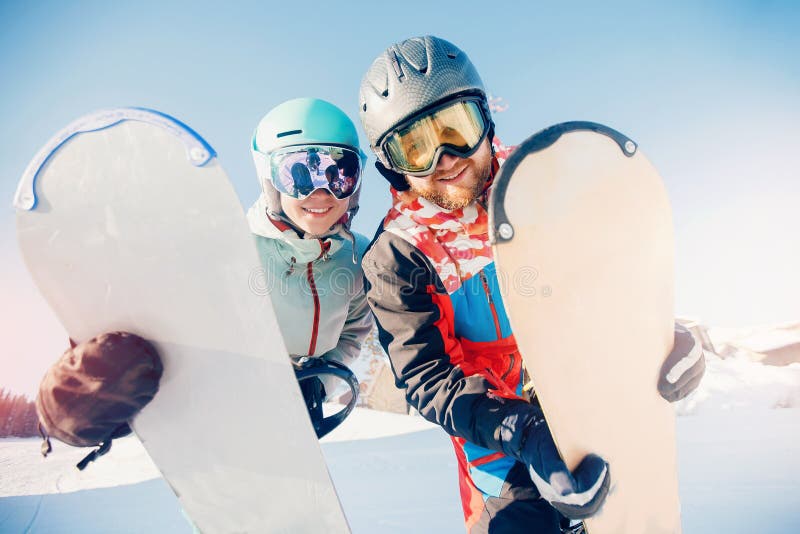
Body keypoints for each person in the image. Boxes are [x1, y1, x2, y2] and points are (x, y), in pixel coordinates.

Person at [358, 35, 706, 533]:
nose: (447, 158)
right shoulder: (397, 255)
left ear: (484, 118)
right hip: (499, 454)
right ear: (391, 164)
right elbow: (427, 379)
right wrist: (523, 431)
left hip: (592, 410)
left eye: (456, 128)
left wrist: (659, 336)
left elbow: (607, 283)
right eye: (417, 147)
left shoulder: (542, 185)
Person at [36, 97, 374, 462]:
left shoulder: (358, 260)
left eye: (340, 173)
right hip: (221, 410)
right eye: (299, 174)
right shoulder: (228, 248)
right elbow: (156, 316)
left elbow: (353, 331)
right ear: (268, 178)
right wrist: (84, 386)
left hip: (294, 422)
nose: (321, 193)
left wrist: (316, 385)